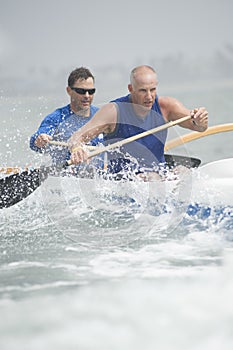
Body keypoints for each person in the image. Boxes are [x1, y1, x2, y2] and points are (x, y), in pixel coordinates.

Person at [68, 65, 208, 175]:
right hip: (124, 179)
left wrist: (200, 121)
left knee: (185, 171)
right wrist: (77, 148)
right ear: (131, 88)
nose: (149, 97)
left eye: (152, 90)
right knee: (151, 177)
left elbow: (199, 127)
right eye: (142, 91)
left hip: (158, 175)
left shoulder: (167, 106)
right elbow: (76, 138)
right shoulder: (113, 111)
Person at [30, 67, 103, 166]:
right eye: (81, 91)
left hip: (97, 177)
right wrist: (40, 140)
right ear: (69, 91)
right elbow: (35, 141)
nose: (87, 96)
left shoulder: (102, 116)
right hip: (64, 175)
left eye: (91, 91)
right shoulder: (57, 118)